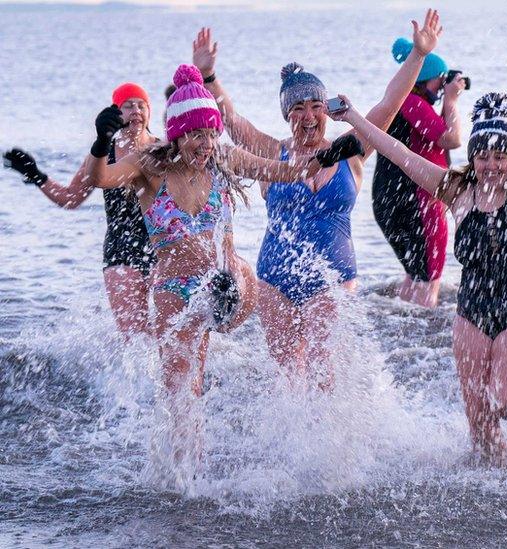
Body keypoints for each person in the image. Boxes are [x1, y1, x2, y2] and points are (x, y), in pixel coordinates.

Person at [333, 28, 507, 465]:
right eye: (484, 155)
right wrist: (353, 120)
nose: (492, 165)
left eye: (501, 156)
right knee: (479, 420)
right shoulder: (458, 192)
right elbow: (397, 150)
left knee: (504, 398)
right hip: (474, 309)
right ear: (473, 156)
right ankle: (497, 497)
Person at [191, 10, 443, 383]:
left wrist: (418, 56)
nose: (308, 115)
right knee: (290, 377)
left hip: (333, 276)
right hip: (275, 279)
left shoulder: (350, 150)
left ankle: (336, 441)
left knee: (326, 372)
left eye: (315, 106)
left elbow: (388, 104)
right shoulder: (269, 152)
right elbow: (232, 119)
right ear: (286, 114)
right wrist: (208, 76)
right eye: (297, 107)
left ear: (326, 110)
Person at [83, 64, 337, 426]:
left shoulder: (223, 157)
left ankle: (222, 296)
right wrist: (99, 145)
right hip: (175, 290)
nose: (206, 145)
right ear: (177, 135)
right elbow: (102, 178)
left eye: (212, 133)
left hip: (231, 283)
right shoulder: (149, 166)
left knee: (230, 275)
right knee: (183, 396)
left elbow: (283, 170)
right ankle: (184, 474)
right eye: (197, 136)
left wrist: (329, 156)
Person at [3, 83, 159, 337]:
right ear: (116, 113)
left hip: (161, 246)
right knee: (134, 337)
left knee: (168, 329)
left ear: (149, 112)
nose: (136, 111)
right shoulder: (100, 155)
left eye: (141, 105)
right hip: (120, 247)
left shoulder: (162, 150)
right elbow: (70, 198)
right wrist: (36, 175)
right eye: (128, 105)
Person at [372, 35, 466, 308]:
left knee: (415, 275)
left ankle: (405, 331)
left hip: (394, 199)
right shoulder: (412, 103)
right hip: (417, 200)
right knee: (430, 277)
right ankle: (426, 336)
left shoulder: (404, 103)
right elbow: (452, 139)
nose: (444, 83)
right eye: (441, 78)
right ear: (425, 78)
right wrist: (452, 101)